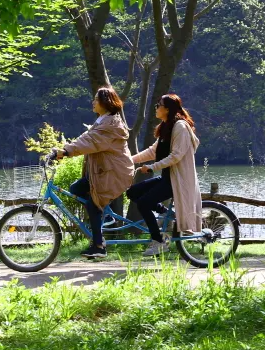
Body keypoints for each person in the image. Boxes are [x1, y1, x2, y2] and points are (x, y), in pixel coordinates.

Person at [53, 87, 135, 259]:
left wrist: (66, 152)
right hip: (102, 172)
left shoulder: (110, 125)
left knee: (93, 204)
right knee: (76, 189)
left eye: (96, 99)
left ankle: (99, 246)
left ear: (105, 103)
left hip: (114, 172)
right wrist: (63, 150)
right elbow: (84, 139)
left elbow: (91, 142)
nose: (93, 102)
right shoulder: (102, 121)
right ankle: (104, 217)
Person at [129, 94, 202, 257]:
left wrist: (152, 167)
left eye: (158, 105)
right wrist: (129, 160)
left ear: (167, 109)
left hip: (178, 181)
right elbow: (153, 151)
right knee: (132, 192)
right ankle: (165, 214)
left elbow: (176, 156)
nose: (156, 108)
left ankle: (158, 242)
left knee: (143, 204)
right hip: (167, 178)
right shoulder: (166, 127)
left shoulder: (180, 127)